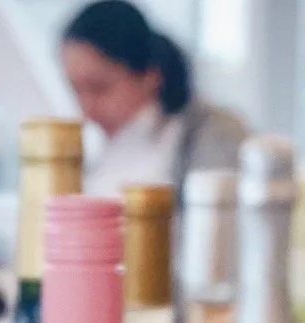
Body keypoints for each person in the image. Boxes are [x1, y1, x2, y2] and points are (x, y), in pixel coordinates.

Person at [60, 1, 247, 198]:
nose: (86, 110)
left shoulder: (215, 134)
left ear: (149, 76)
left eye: (99, 87)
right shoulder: (99, 153)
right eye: (76, 90)